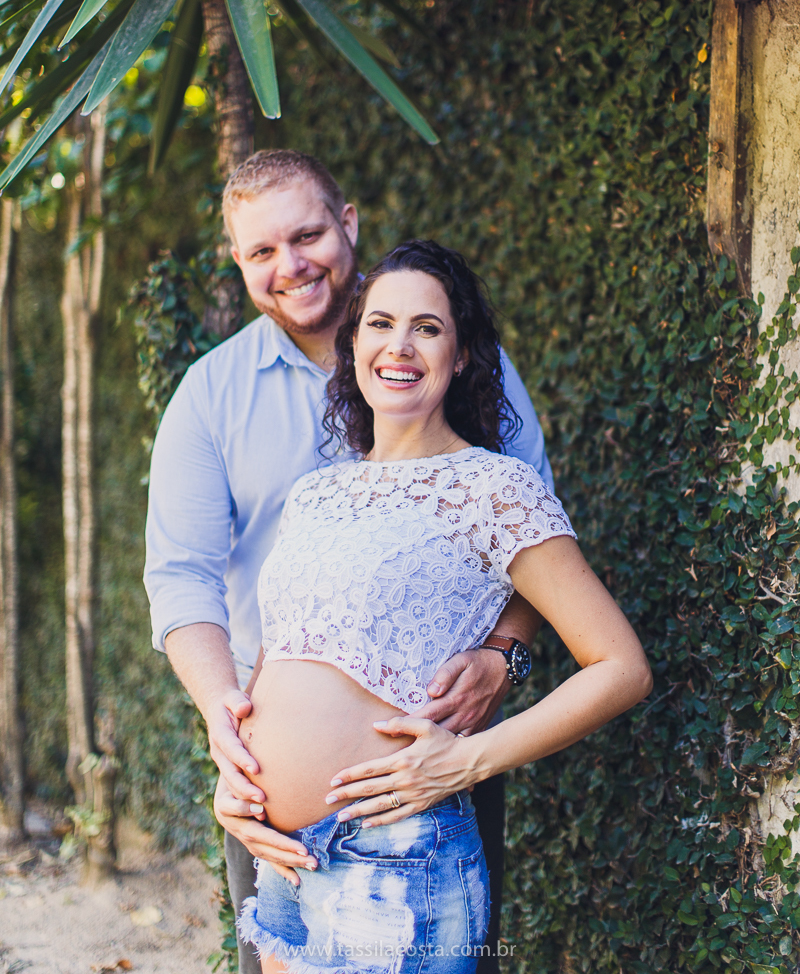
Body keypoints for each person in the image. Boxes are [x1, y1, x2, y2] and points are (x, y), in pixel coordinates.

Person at [143, 151, 554, 974]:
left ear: (349, 224)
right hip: (265, 791)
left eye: (307, 235)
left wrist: (503, 655)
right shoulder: (210, 395)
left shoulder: (453, 362)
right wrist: (226, 717)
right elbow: (181, 575)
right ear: (238, 261)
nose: (290, 266)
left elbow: (534, 534)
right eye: (261, 252)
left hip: (429, 768)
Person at [232, 239, 652, 974]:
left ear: (461, 357)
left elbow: (620, 667)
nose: (399, 345)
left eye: (427, 328)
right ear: (353, 342)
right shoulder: (314, 493)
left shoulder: (494, 489)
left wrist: (465, 762)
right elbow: (277, 661)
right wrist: (234, 777)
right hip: (282, 860)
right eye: (380, 323)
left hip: (397, 862)